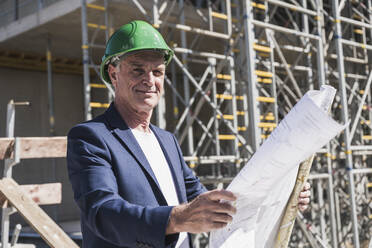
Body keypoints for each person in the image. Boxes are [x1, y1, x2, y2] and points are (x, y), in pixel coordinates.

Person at [67, 20, 310, 248]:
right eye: (137, 70)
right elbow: (102, 212)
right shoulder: (91, 137)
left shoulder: (166, 140)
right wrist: (176, 219)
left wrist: (278, 197)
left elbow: (209, 202)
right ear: (113, 74)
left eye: (157, 71)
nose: (149, 80)